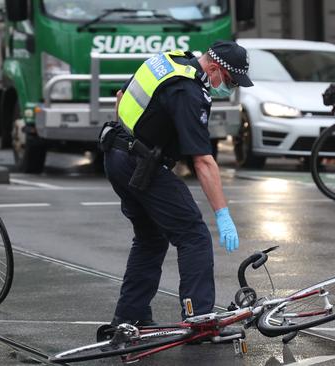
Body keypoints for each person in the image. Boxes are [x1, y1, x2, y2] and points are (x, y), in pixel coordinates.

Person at [98, 41, 253, 331]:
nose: (229, 89)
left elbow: (121, 96)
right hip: (139, 164)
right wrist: (223, 215)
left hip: (116, 154)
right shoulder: (189, 90)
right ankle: (199, 320)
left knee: (151, 238)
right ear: (214, 69)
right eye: (230, 82)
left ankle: (130, 317)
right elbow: (203, 162)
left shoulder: (168, 61)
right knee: (194, 236)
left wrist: (136, 138)